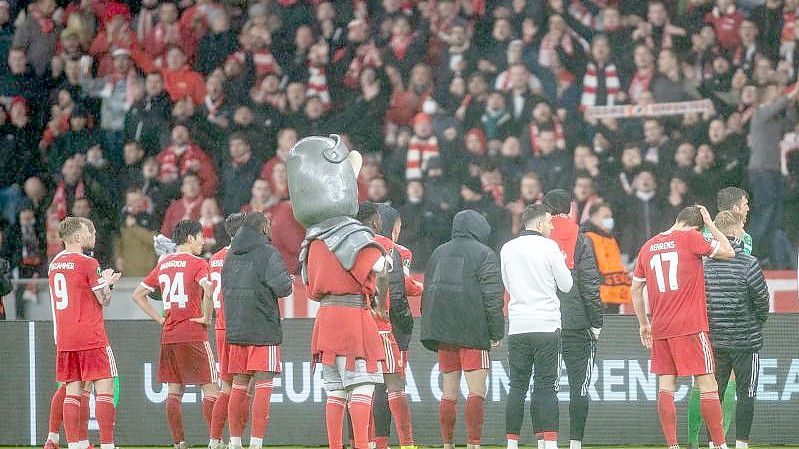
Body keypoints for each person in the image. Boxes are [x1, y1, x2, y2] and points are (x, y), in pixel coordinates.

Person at [631, 205, 735, 449]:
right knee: (708, 384)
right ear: (697, 225)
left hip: (661, 326)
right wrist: (711, 224)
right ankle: (720, 445)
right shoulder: (692, 237)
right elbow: (729, 252)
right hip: (690, 325)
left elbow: (636, 289)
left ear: (678, 219)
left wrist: (644, 324)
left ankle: (672, 445)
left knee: (666, 386)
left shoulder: (648, 246)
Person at [420, 210, 504, 449]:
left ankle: (447, 445)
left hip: (443, 332)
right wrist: (496, 331)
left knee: (449, 393)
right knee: (476, 391)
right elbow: (492, 296)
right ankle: (473, 444)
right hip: (474, 331)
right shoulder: (485, 254)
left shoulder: (438, 252)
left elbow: (428, 292)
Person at [132, 219, 219, 449]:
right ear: (190, 238)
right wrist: (207, 317)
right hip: (193, 333)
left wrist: (159, 318)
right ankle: (215, 441)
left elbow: (138, 294)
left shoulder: (164, 264)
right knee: (211, 388)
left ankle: (179, 443)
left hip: (169, 335)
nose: (203, 241)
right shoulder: (198, 263)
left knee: (174, 390)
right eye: (200, 236)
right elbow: (209, 289)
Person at [501, 204, 573, 449]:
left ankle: (512, 444)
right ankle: (550, 445)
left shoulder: (507, 248)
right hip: (546, 325)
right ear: (540, 223)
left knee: (517, 387)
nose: (552, 227)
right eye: (550, 222)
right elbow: (566, 285)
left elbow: (508, 285)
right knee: (546, 386)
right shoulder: (550, 247)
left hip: (518, 325)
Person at [48, 217, 122, 449]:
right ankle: (108, 445)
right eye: (89, 232)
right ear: (78, 237)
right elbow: (103, 299)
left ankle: (75, 445)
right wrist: (108, 283)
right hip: (90, 335)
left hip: (65, 337)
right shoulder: (88, 263)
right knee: (105, 389)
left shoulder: (54, 264)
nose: (93, 236)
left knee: (72, 391)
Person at [688, 186, 753, 449]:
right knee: (730, 380)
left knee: (703, 379)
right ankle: (720, 442)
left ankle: (694, 441)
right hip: (731, 316)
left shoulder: (699, 234)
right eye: (745, 203)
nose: (748, 208)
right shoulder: (743, 238)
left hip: (701, 313)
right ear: (736, 207)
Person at [222, 212, 293, 449]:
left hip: (236, 329)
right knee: (263, 385)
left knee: (238, 386)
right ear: (262, 228)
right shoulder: (268, 253)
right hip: (263, 328)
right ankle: (255, 443)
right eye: (269, 226)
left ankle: (233, 442)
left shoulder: (230, 255)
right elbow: (283, 288)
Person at [541, 190, 602, 449]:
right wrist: (596, 321)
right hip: (576, 321)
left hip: (544, 320)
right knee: (580, 386)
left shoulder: (538, 237)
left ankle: (547, 443)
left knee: (547, 385)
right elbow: (589, 283)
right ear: (570, 207)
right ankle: (575, 443)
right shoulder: (582, 237)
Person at [703, 210, 769, 449]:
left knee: (713, 394)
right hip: (746, 341)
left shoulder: (704, 263)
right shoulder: (749, 263)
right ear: (735, 230)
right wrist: (754, 324)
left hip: (714, 340)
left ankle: (713, 443)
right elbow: (763, 302)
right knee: (747, 392)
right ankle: (741, 444)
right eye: (742, 227)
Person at [358, 203, 415, 449]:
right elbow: (400, 287)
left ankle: (365, 443)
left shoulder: (347, 245)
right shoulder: (396, 249)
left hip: (356, 324)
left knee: (358, 388)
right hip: (384, 326)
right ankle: (406, 443)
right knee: (394, 385)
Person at [207, 213, 245, 449]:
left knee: (227, 386)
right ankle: (236, 440)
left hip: (220, 325)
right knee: (242, 387)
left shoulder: (216, 257)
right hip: (240, 327)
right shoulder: (242, 256)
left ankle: (214, 440)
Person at [581, 203, 631, 314]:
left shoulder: (610, 239)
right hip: (600, 301)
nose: (610, 220)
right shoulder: (587, 238)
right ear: (593, 217)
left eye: (610, 217)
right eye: (605, 217)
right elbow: (587, 272)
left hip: (613, 298)